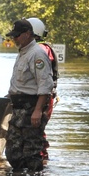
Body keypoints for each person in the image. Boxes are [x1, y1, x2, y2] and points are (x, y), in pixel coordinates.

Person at [4, 19, 54, 172]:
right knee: (13, 153)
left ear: (27, 34)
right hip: (18, 109)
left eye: (17, 36)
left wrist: (38, 111)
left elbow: (45, 85)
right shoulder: (23, 52)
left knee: (31, 154)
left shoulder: (37, 54)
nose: (14, 39)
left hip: (31, 108)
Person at [26, 17, 59, 161]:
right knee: (35, 132)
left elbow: (43, 79)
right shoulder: (38, 49)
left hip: (41, 98)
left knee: (36, 131)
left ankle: (40, 165)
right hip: (42, 97)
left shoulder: (40, 50)